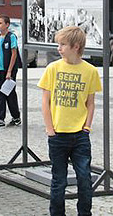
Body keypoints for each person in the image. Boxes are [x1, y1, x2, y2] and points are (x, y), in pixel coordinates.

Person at [38, 26, 102, 216]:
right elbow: (45, 100)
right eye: (58, 44)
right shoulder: (53, 68)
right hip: (58, 135)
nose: (59, 48)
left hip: (80, 136)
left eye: (62, 44)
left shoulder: (90, 71)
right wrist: (50, 129)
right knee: (59, 180)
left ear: (76, 46)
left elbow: (90, 103)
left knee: (84, 178)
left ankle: (85, 213)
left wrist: (87, 127)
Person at [0, 15, 21, 128]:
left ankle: (16, 117)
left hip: (10, 70)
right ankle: (0, 119)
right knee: (0, 94)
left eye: (0, 23)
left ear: (7, 24)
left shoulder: (11, 37)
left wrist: (9, 71)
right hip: (0, 70)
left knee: (9, 93)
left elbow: (14, 54)